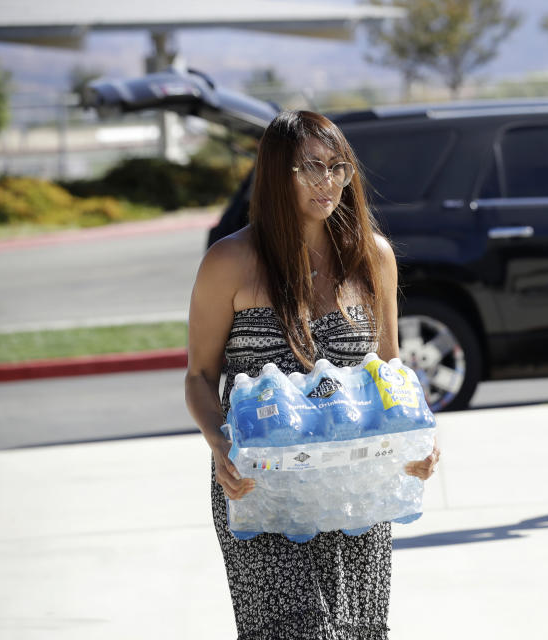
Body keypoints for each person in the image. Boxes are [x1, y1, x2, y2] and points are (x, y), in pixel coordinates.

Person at [184, 110, 440, 638]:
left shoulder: (374, 256)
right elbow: (199, 375)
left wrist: (419, 436)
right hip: (262, 486)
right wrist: (218, 444)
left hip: (356, 485)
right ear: (278, 173)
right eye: (310, 168)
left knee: (358, 631)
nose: (328, 182)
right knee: (292, 631)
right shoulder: (229, 262)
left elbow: (389, 366)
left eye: (338, 166)